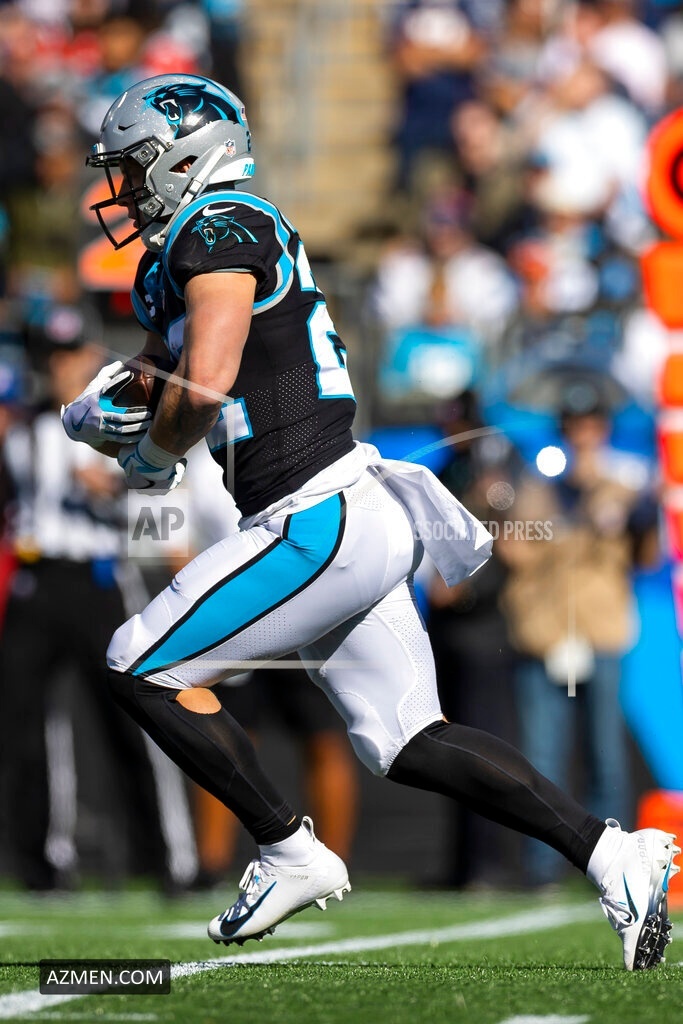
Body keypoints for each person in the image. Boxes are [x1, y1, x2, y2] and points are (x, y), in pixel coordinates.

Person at [61, 73, 678, 970]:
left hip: (314, 515)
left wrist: (150, 459)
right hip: (348, 508)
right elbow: (172, 370)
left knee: (138, 663)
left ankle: (287, 849)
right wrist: (105, 404)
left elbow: (210, 377)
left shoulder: (217, 224)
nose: (120, 187)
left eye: (131, 165)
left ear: (184, 158)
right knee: (407, 739)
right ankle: (610, 854)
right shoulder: (188, 251)